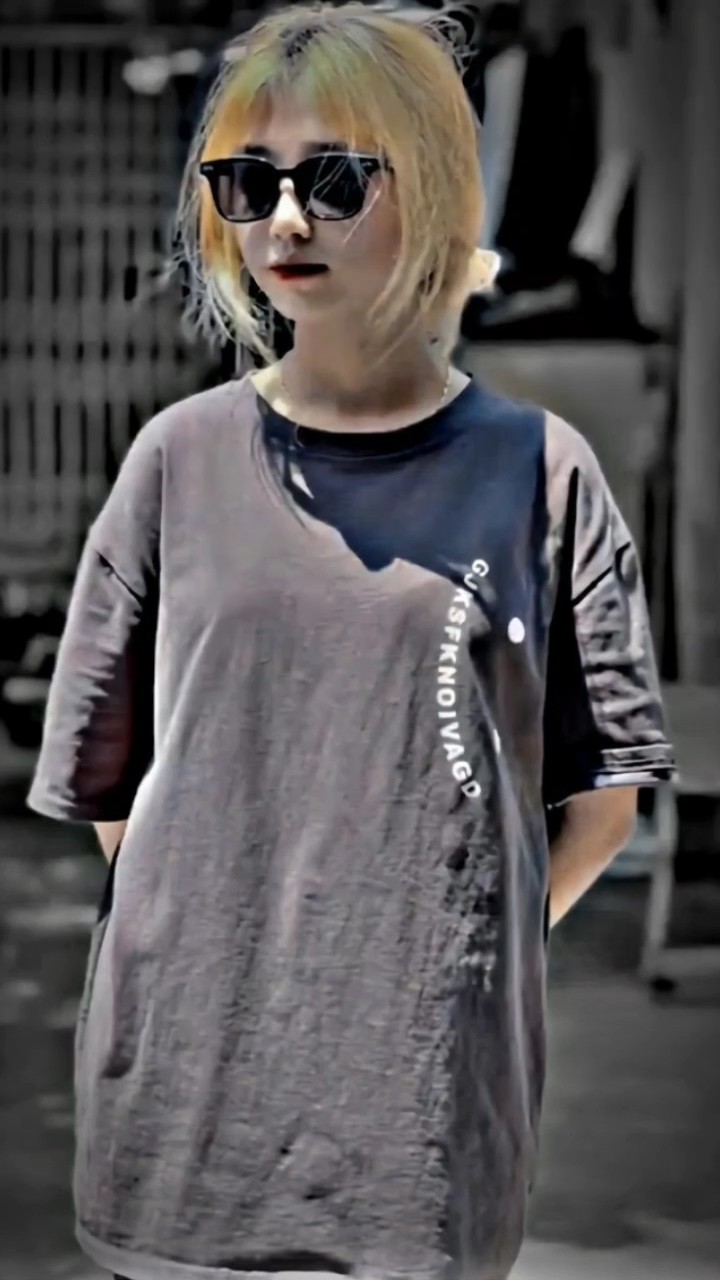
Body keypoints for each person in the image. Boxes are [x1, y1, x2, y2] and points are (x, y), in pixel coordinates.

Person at [27, 6, 675, 1280]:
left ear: (426, 188)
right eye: (248, 182)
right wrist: (229, 926)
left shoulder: (541, 475)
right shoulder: (176, 462)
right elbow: (118, 795)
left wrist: (450, 952)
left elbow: (603, 802)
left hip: (418, 1138)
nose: (285, 220)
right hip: (186, 1133)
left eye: (332, 180)